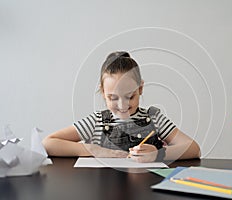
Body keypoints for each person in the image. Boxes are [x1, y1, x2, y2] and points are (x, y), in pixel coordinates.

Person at [43, 51, 200, 162]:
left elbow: (194, 149)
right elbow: (48, 143)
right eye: (113, 98)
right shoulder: (97, 121)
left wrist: (158, 154)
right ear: (103, 92)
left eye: (130, 97)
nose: (122, 105)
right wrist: (93, 150)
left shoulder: (153, 118)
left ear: (140, 88)